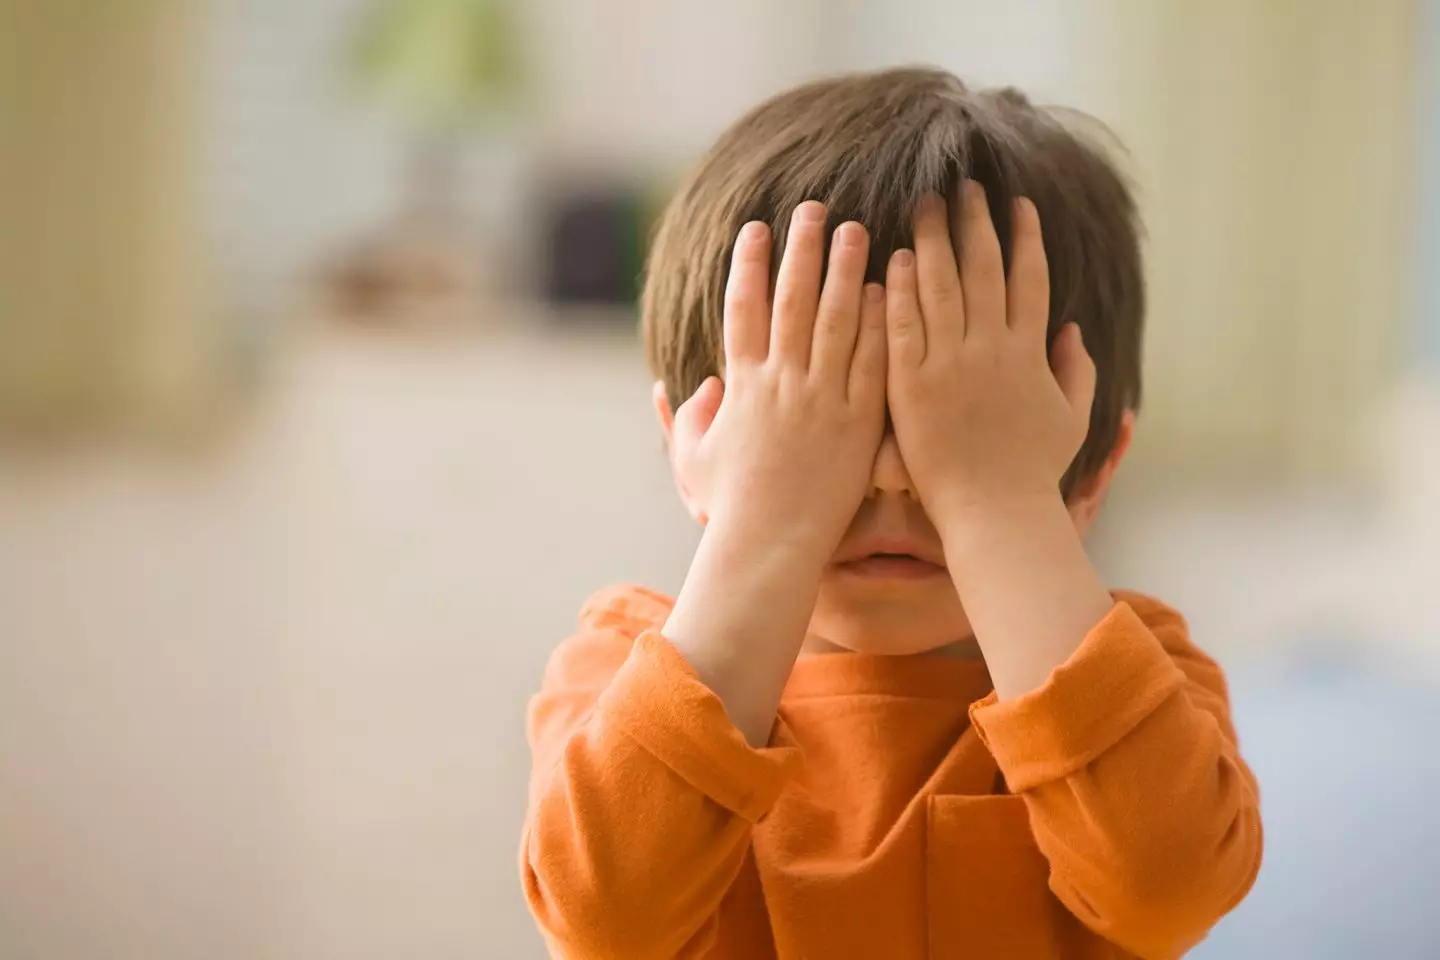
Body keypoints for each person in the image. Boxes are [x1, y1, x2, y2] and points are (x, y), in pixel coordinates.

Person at [519, 67, 1262, 959]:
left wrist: (997, 508)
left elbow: (1167, 890)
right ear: (690, 447)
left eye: (953, 435)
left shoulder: (1147, 681)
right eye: (822, 426)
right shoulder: (617, 671)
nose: (891, 484)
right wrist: (773, 527)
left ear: (1093, 468)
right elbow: (607, 924)